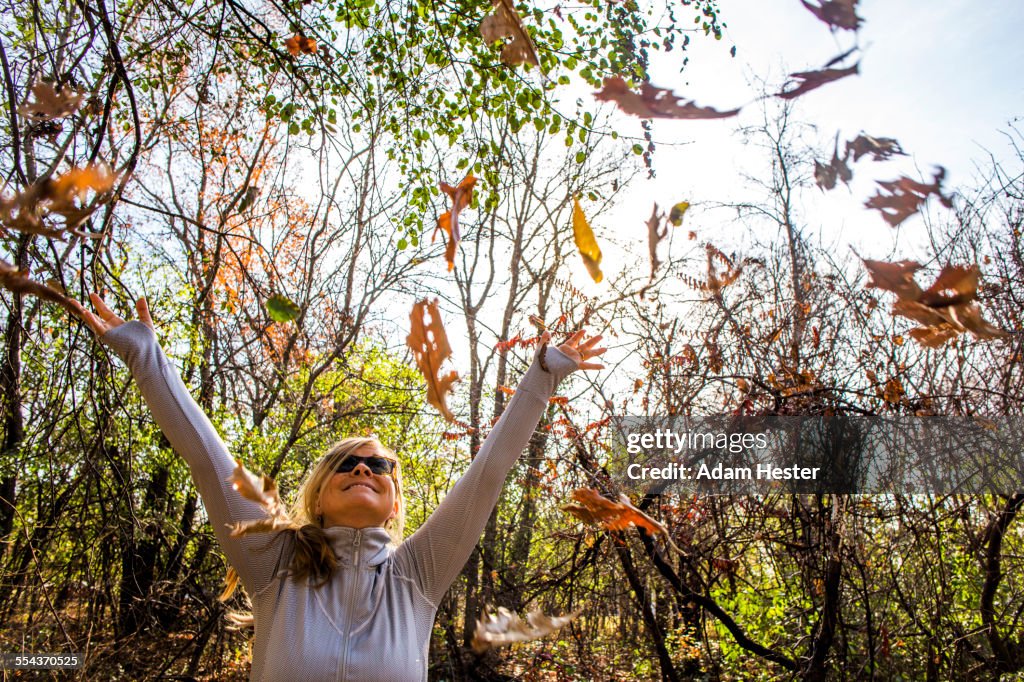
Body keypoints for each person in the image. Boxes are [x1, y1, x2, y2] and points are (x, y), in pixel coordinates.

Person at [70, 293, 605, 681]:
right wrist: (146, 357)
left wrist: (542, 376)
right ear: (319, 494)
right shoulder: (274, 565)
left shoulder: (417, 575)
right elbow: (209, 463)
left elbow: (486, 477)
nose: (363, 469)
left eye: (379, 466)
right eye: (347, 463)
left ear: (395, 503)